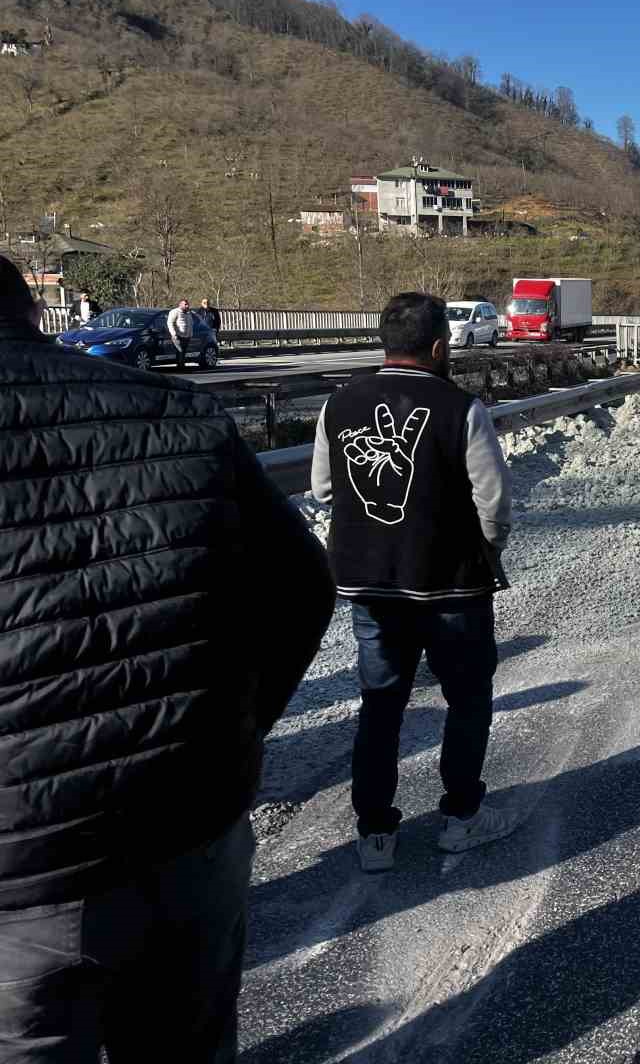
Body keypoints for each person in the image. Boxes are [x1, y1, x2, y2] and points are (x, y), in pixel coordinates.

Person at [0, 254, 334, 1060]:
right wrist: (229, 734)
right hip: (190, 832)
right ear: (33, 315)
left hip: (19, 880)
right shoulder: (177, 411)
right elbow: (302, 589)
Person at [312, 291, 517, 871]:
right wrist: (484, 549)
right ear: (437, 346)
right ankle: (460, 817)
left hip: (370, 587)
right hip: (451, 586)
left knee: (381, 705)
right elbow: (495, 502)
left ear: (384, 342)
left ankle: (375, 833)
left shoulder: (339, 404)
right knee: (467, 699)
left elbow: (325, 491)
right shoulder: (462, 408)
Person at [166, 297, 194, 369]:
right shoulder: (175, 312)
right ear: (180, 304)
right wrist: (173, 333)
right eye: (185, 304)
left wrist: (190, 334)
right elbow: (170, 323)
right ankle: (180, 367)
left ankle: (181, 365)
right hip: (178, 336)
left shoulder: (188, 313)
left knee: (183, 352)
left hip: (186, 337)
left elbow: (190, 324)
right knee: (180, 351)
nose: (187, 306)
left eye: (187, 304)